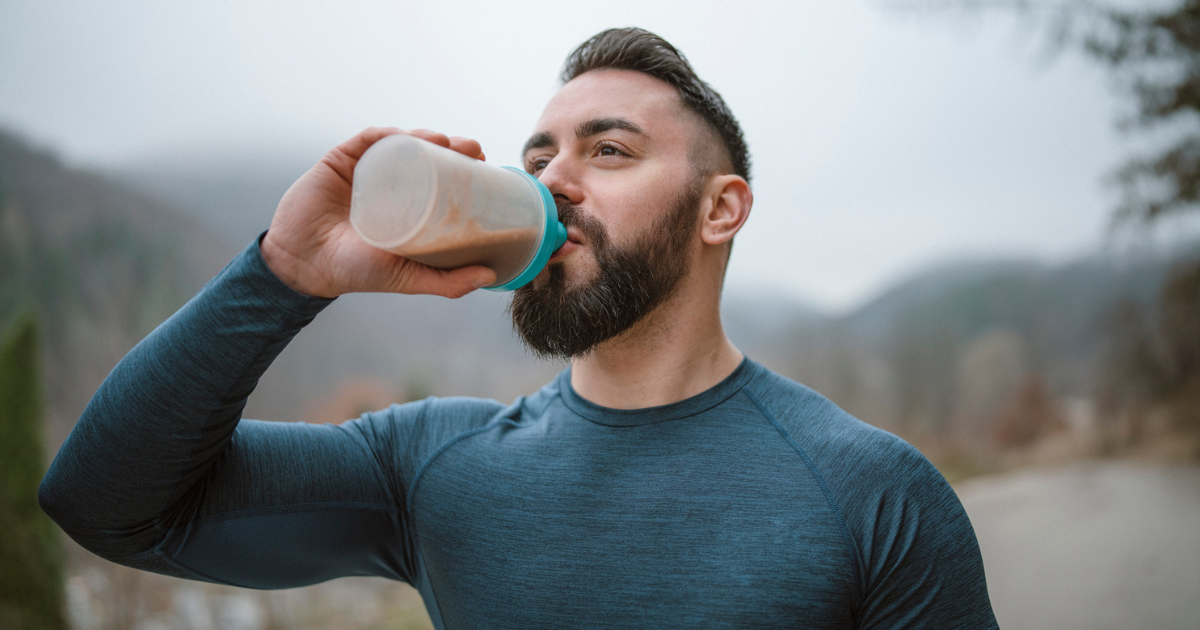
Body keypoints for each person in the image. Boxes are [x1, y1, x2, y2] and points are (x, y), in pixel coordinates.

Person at [40, 28, 998, 629]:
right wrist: (283, 274)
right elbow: (107, 502)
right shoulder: (428, 466)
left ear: (722, 210)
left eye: (609, 150)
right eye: (538, 157)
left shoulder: (872, 494)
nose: (553, 182)